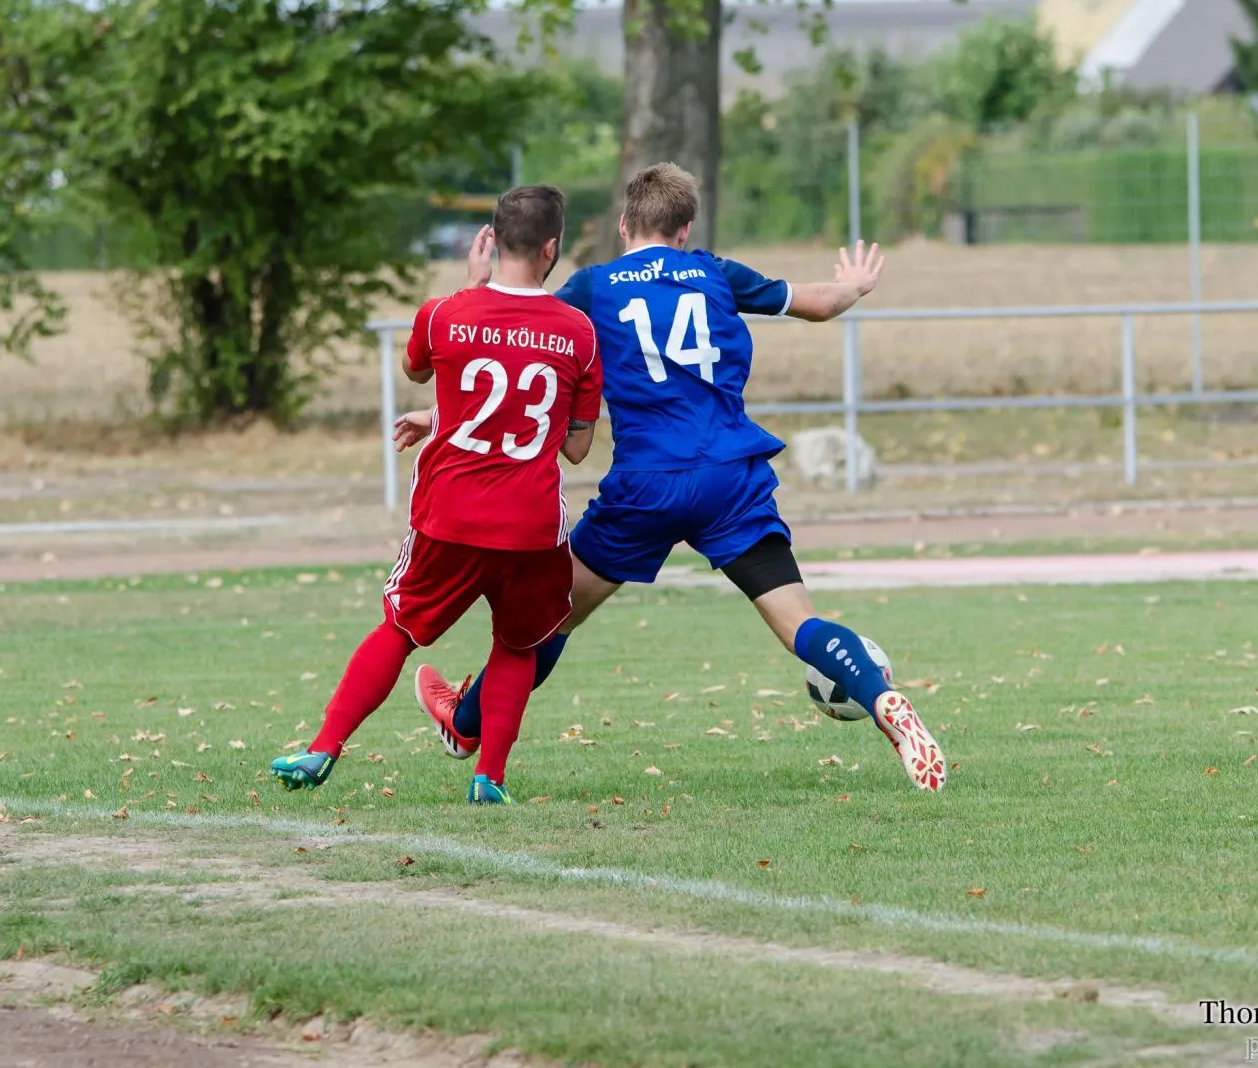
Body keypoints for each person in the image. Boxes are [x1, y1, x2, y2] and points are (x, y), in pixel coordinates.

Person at [404, 163, 945, 791]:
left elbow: (515, 354)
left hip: (647, 485)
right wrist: (852, 286)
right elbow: (820, 303)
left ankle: (465, 722)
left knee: (549, 620)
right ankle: (881, 698)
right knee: (798, 621)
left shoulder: (596, 286)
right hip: (729, 478)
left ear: (623, 224)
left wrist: (441, 403)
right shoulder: (714, 272)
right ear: (685, 230)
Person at [270, 185, 601, 805]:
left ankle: (323, 748)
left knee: (399, 626)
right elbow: (577, 449)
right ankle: (489, 778)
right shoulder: (578, 332)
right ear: (552, 248)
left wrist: (470, 289)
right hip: (531, 524)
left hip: (451, 515)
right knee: (518, 645)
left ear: (492, 243)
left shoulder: (445, 313)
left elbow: (420, 370)